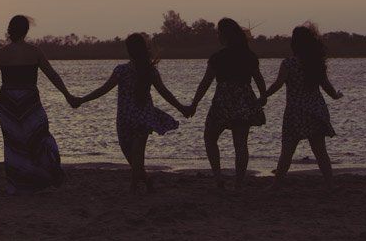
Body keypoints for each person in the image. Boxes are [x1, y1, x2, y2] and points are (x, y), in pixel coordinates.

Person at [0, 15, 77, 195]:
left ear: (10, 30)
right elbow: (52, 75)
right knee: (38, 138)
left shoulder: (2, 53)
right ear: (26, 31)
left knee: (15, 142)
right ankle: (35, 178)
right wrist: (67, 95)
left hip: (11, 102)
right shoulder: (34, 52)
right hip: (25, 101)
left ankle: (24, 181)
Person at [75, 33, 189, 193]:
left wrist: (82, 99)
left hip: (136, 118)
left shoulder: (141, 71)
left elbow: (103, 89)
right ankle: (146, 180)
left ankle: (134, 187)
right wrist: (82, 100)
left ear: (129, 51)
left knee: (135, 154)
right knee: (133, 155)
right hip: (133, 118)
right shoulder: (128, 71)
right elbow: (165, 93)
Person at [188, 17, 267, 190]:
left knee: (210, 137)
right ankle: (239, 183)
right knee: (240, 143)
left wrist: (194, 103)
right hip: (244, 99)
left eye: (219, 33)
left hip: (223, 101)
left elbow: (205, 82)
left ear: (224, 36)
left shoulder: (218, 57)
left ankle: (218, 178)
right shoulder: (249, 56)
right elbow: (259, 79)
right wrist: (263, 96)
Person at [262, 24, 343, 189]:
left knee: (287, 151)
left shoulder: (288, 63)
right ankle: (330, 184)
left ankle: (277, 183)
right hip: (315, 110)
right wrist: (336, 95)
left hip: (295, 112)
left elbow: (278, 84)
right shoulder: (316, 63)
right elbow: (326, 86)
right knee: (320, 151)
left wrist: (264, 96)